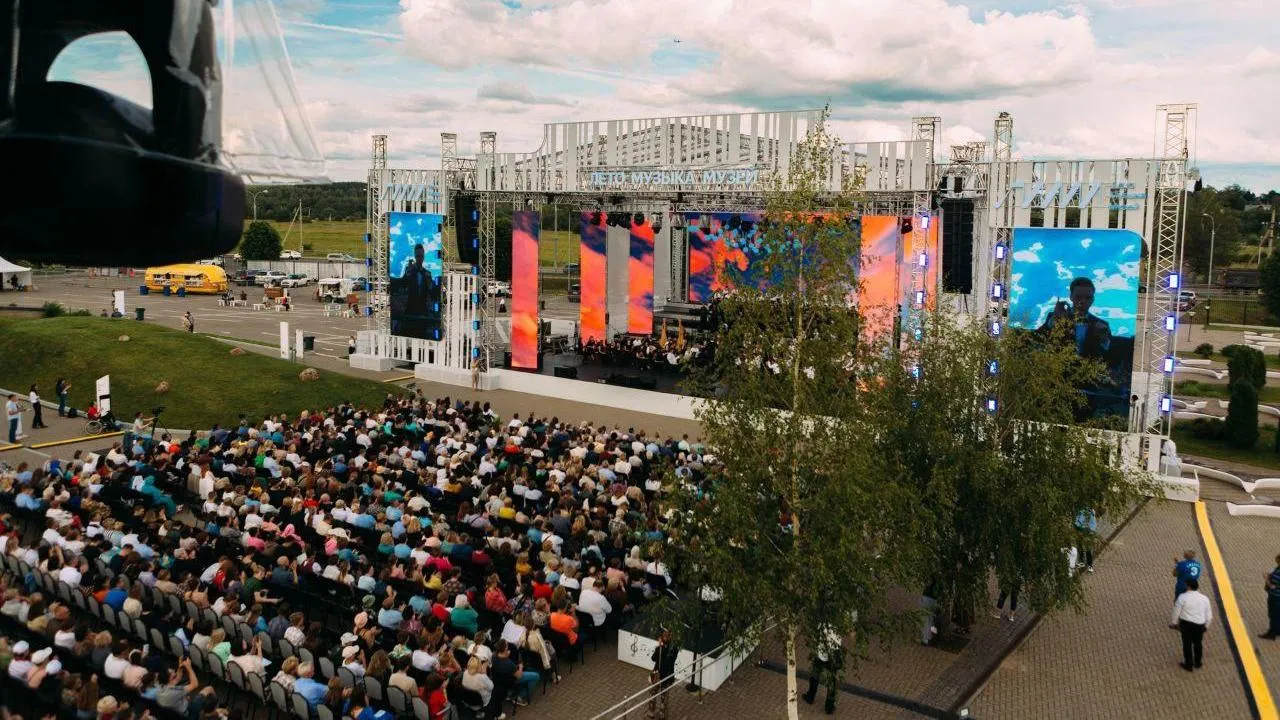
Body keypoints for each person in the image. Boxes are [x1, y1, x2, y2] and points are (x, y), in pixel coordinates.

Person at [1037, 276, 1112, 360]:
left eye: (1087, 298)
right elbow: (1037, 339)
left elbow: (1109, 355)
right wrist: (1055, 319)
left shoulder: (1102, 326)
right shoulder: (1054, 317)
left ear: (1092, 300)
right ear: (1071, 297)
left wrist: (1103, 339)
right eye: (1078, 297)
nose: (1083, 301)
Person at [1170, 577, 1212, 671]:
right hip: (1199, 625)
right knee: (1198, 644)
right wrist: (1206, 626)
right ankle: (1198, 662)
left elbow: (1176, 612)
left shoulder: (1182, 597)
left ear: (1188, 586)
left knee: (1187, 644)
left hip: (1186, 625)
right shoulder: (1204, 598)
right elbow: (1209, 615)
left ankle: (1188, 664)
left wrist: (1174, 623)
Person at [802, 626, 843, 715]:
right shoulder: (838, 620)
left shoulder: (823, 620)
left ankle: (810, 697)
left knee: (815, 676)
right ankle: (829, 707)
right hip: (833, 655)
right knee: (832, 681)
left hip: (822, 654)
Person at [646, 628, 679, 720]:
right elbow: (653, 658)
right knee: (654, 694)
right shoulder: (662, 648)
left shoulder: (673, 648)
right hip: (658, 674)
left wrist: (661, 647)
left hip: (665, 676)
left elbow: (669, 661)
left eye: (666, 635)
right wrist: (659, 648)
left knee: (662, 697)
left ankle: (660, 715)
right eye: (664, 635)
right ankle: (653, 713)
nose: (665, 637)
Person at [1260, 554, 1280, 640]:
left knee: (1273, 615)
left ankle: (1271, 633)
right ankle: (1278, 630)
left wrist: (1266, 579)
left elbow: (1272, 586)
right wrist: (1270, 575)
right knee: (1278, 614)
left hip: (1275, 597)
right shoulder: (1278, 569)